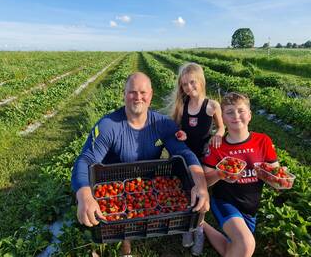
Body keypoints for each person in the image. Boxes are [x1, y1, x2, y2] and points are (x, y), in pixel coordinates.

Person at [72, 72, 210, 256]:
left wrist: (201, 185)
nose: (138, 97)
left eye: (143, 92)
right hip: (115, 184)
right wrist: (85, 196)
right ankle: (125, 246)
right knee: (120, 213)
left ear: (151, 95)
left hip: (147, 183)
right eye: (132, 92)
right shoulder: (108, 125)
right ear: (124, 94)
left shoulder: (162, 124)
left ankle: (175, 226)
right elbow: (86, 159)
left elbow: (184, 153)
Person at [202, 92, 279, 257]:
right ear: (222, 118)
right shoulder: (217, 146)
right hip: (225, 202)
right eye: (229, 112)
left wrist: (275, 179)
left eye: (240, 111)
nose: (236, 116)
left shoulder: (263, 141)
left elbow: (275, 174)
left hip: (251, 207)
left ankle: (201, 225)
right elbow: (205, 181)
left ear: (249, 115)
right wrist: (219, 173)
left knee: (236, 248)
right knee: (246, 243)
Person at [170, 62, 225, 254]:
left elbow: (221, 127)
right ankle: (188, 226)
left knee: (201, 193)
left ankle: (199, 229)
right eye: (185, 85)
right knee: (186, 190)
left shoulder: (211, 106)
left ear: (201, 81)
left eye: (192, 82)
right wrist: (181, 134)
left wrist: (218, 133)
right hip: (186, 154)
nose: (189, 88)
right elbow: (179, 129)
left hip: (203, 156)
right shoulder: (182, 105)